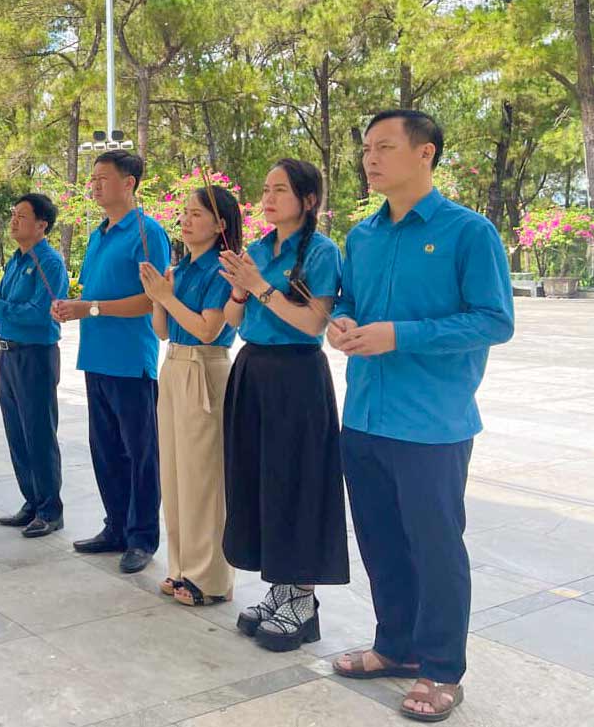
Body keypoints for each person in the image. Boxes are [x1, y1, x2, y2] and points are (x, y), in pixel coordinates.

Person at [327, 110, 514, 723]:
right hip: (364, 415)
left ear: (425, 153)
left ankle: (441, 670)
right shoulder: (364, 236)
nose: (370, 158)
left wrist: (398, 336)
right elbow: (351, 301)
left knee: (435, 547)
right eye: (366, 149)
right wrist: (346, 324)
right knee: (380, 540)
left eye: (384, 147)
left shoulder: (469, 232)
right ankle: (395, 646)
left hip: (432, 423)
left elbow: (494, 320)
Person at [218, 158, 349, 653]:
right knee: (258, 479)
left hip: (297, 375)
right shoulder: (255, 249)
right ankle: (280, 588)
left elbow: (312, 323)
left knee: (296, 480)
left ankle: (302, 595)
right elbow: (233, 318)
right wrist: (238, 288)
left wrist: (259, 287)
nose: (267, 199)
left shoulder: (320, 251)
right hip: (251, 369)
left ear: (308, 199)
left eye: (280, 190)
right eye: (265, 189)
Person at [52, 150, 170, 574]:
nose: (95, 185)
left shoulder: (146, 232)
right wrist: (74, 307)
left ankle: (142, 537)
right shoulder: (99, 233)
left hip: (131, 362)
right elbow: (94, 292)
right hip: (96, 358)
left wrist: (92, 308)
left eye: (104, 178)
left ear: (129, 183)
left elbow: (151, 298)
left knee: (140, 453)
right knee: (105, 451)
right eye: (94, 178)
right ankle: (115, 526)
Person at [139, 185, 242, 607]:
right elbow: (162, 331)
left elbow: (207, 329)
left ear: (220, 225)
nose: (185, 220)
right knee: (176, 474)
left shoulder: (222, 270)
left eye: (196, 214)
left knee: (204, 477)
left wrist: (165, 297)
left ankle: (210, 577)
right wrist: (157, 297)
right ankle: (180, 567)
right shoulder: (180, 270)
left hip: (206, 366)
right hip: (175, 363)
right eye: (183, 212)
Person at [0, 194, 70, 538]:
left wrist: (1, 305)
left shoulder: (49, 263)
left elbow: (43, 313)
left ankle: (50, 508)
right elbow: (4, 306)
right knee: (17, 432)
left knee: (39, 432)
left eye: (22, 216)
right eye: (13, 214)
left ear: (42, 225)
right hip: (8, 353)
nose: (13, 221)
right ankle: (32, 500)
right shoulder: (15, 260)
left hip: (35, 355)